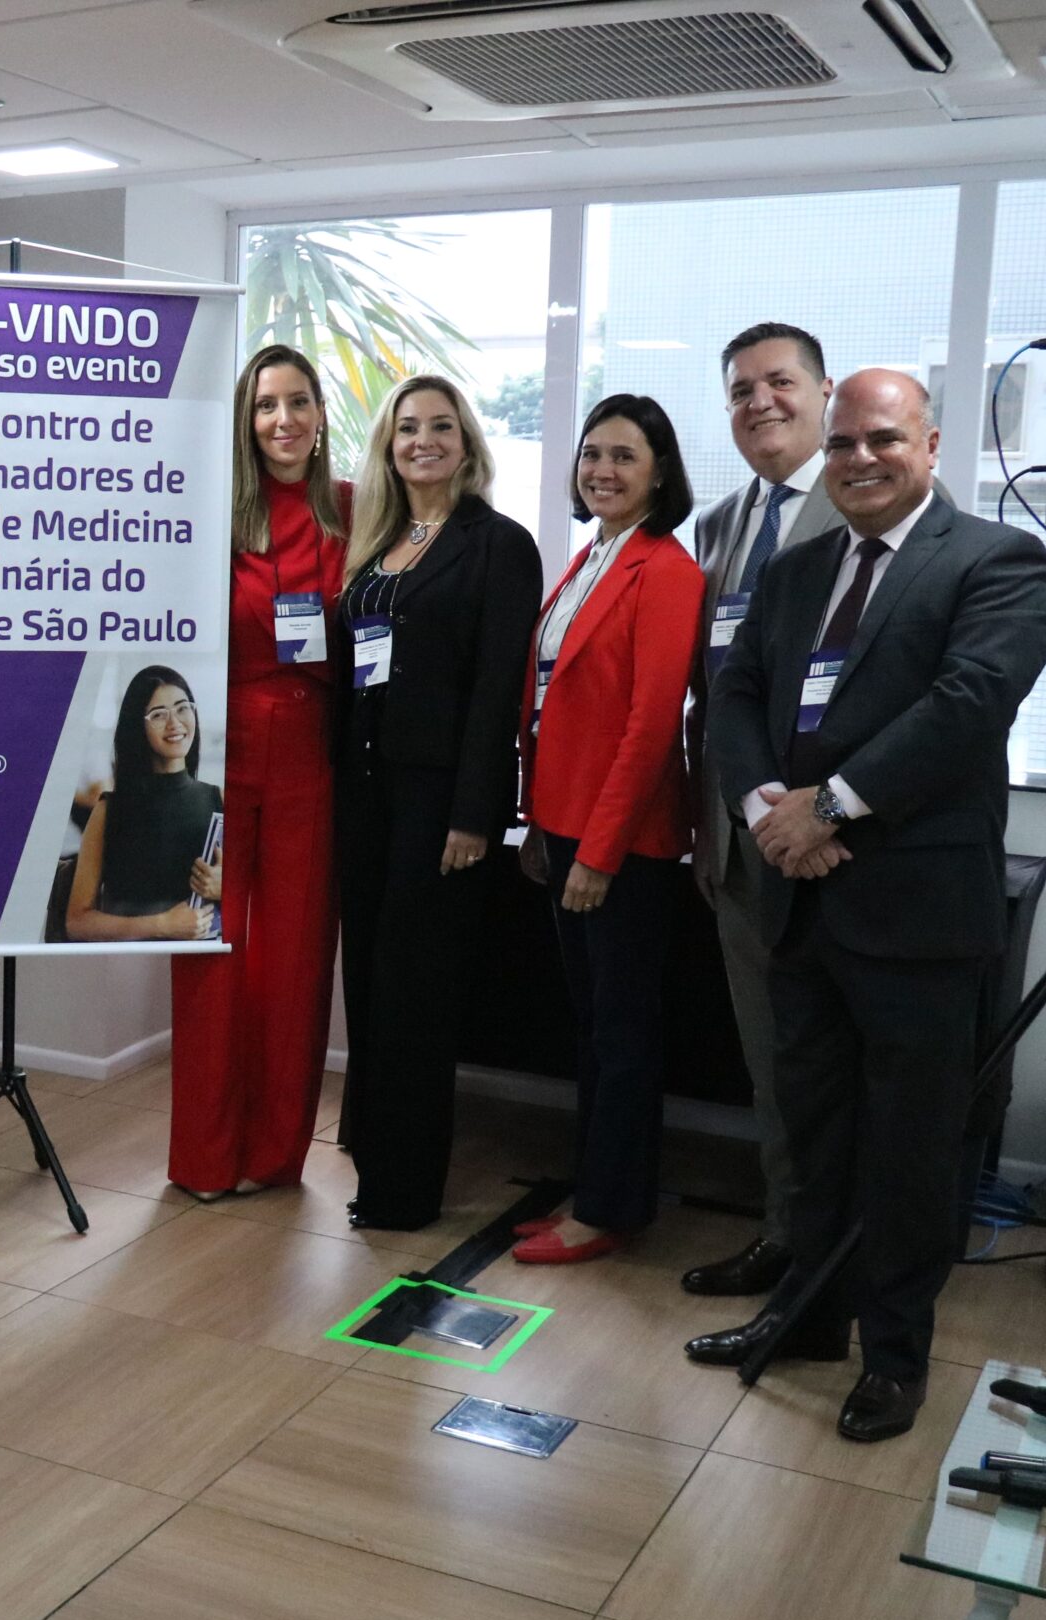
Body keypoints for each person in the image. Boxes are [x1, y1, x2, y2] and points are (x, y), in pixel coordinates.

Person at [691, 369, 1046, 1444]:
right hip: (797, 902)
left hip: (913, 916)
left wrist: (832, 808)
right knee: (813, 1131)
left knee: (908, 1151)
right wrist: (766, 808)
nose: (857, 459)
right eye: (842, 443)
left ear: (930, 445)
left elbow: (967, 703)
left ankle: (894, 1359)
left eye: (881, 440)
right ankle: (804, 1321)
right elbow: (736, 691)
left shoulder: (994, 560)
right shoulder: (799, 570)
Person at [335, 376, 542, 1232]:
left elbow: (499, 691)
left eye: (442, 426)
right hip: (365, 796)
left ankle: (404, 1189)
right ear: (388, 444)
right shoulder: (376, 542)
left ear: (467, 441)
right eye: (408, 427)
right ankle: (370, 1157)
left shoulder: (498, 544)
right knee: (371, 983)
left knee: (417, 995)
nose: (424, 439)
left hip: (438, 805)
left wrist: (474, 814)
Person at [511, 396, 701, 1264]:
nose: (604, 470)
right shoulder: (590, 558)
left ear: (660, 471)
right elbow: (556, 706)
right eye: (593, 454)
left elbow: (651, 725)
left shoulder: (665, 571)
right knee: (590, 1028)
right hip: (565, 826)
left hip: (623, 846)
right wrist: (541, 824)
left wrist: (598, 848)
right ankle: (594, 1190)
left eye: (625, 456)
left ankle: (608, 1208)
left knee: (622, 1036)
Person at [680, 323, 846, 1300]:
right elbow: (714, 692)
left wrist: (831, 812)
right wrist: (718, 825)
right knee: (771, 1068)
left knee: (844, 1074)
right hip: (740, 850)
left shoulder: (882, 503)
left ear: (823, 393)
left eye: (780, 382)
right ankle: (788, 1244)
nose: (759, 403)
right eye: (740, 390)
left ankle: (846, 1265)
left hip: (842, 853)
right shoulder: (720, 524)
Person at [162, 348, 347, 1201]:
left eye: (298, 402)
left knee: (297, 961)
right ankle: (204, 1156)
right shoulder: (207, 514)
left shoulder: (353, 509)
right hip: (219, 753)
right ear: (245, 420)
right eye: (267, 405)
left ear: (319, 415)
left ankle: (273, 1154)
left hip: (313, 754)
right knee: (208, 954)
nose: (283, 420)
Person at [64, 666, 224, 945]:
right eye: (159, 714)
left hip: (202, 964)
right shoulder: (109, 811)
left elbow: (265, 896)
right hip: (125, 967)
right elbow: (77, 922)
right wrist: (162, 925)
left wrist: (226, 888)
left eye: (182, 708)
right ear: (137, 726)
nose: (175, 723)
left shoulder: (220, 801)